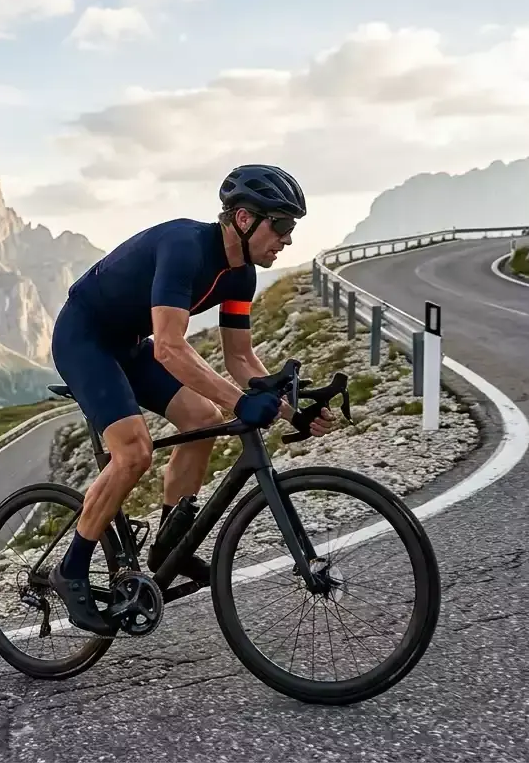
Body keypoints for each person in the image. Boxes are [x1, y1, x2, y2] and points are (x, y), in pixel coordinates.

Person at [47, 163, 338, 635]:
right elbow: (169, 347)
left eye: (292, 228)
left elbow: (241, 358)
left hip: (130, 346)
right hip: (85, 338)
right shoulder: (185, 247)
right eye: (281, 224)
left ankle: (169, 546)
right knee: (134, 452)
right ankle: (71, 569)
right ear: (243, 219)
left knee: (202, 418)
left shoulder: (241, 276)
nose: (287, 239)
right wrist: (241, 404)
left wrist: (293, 411)